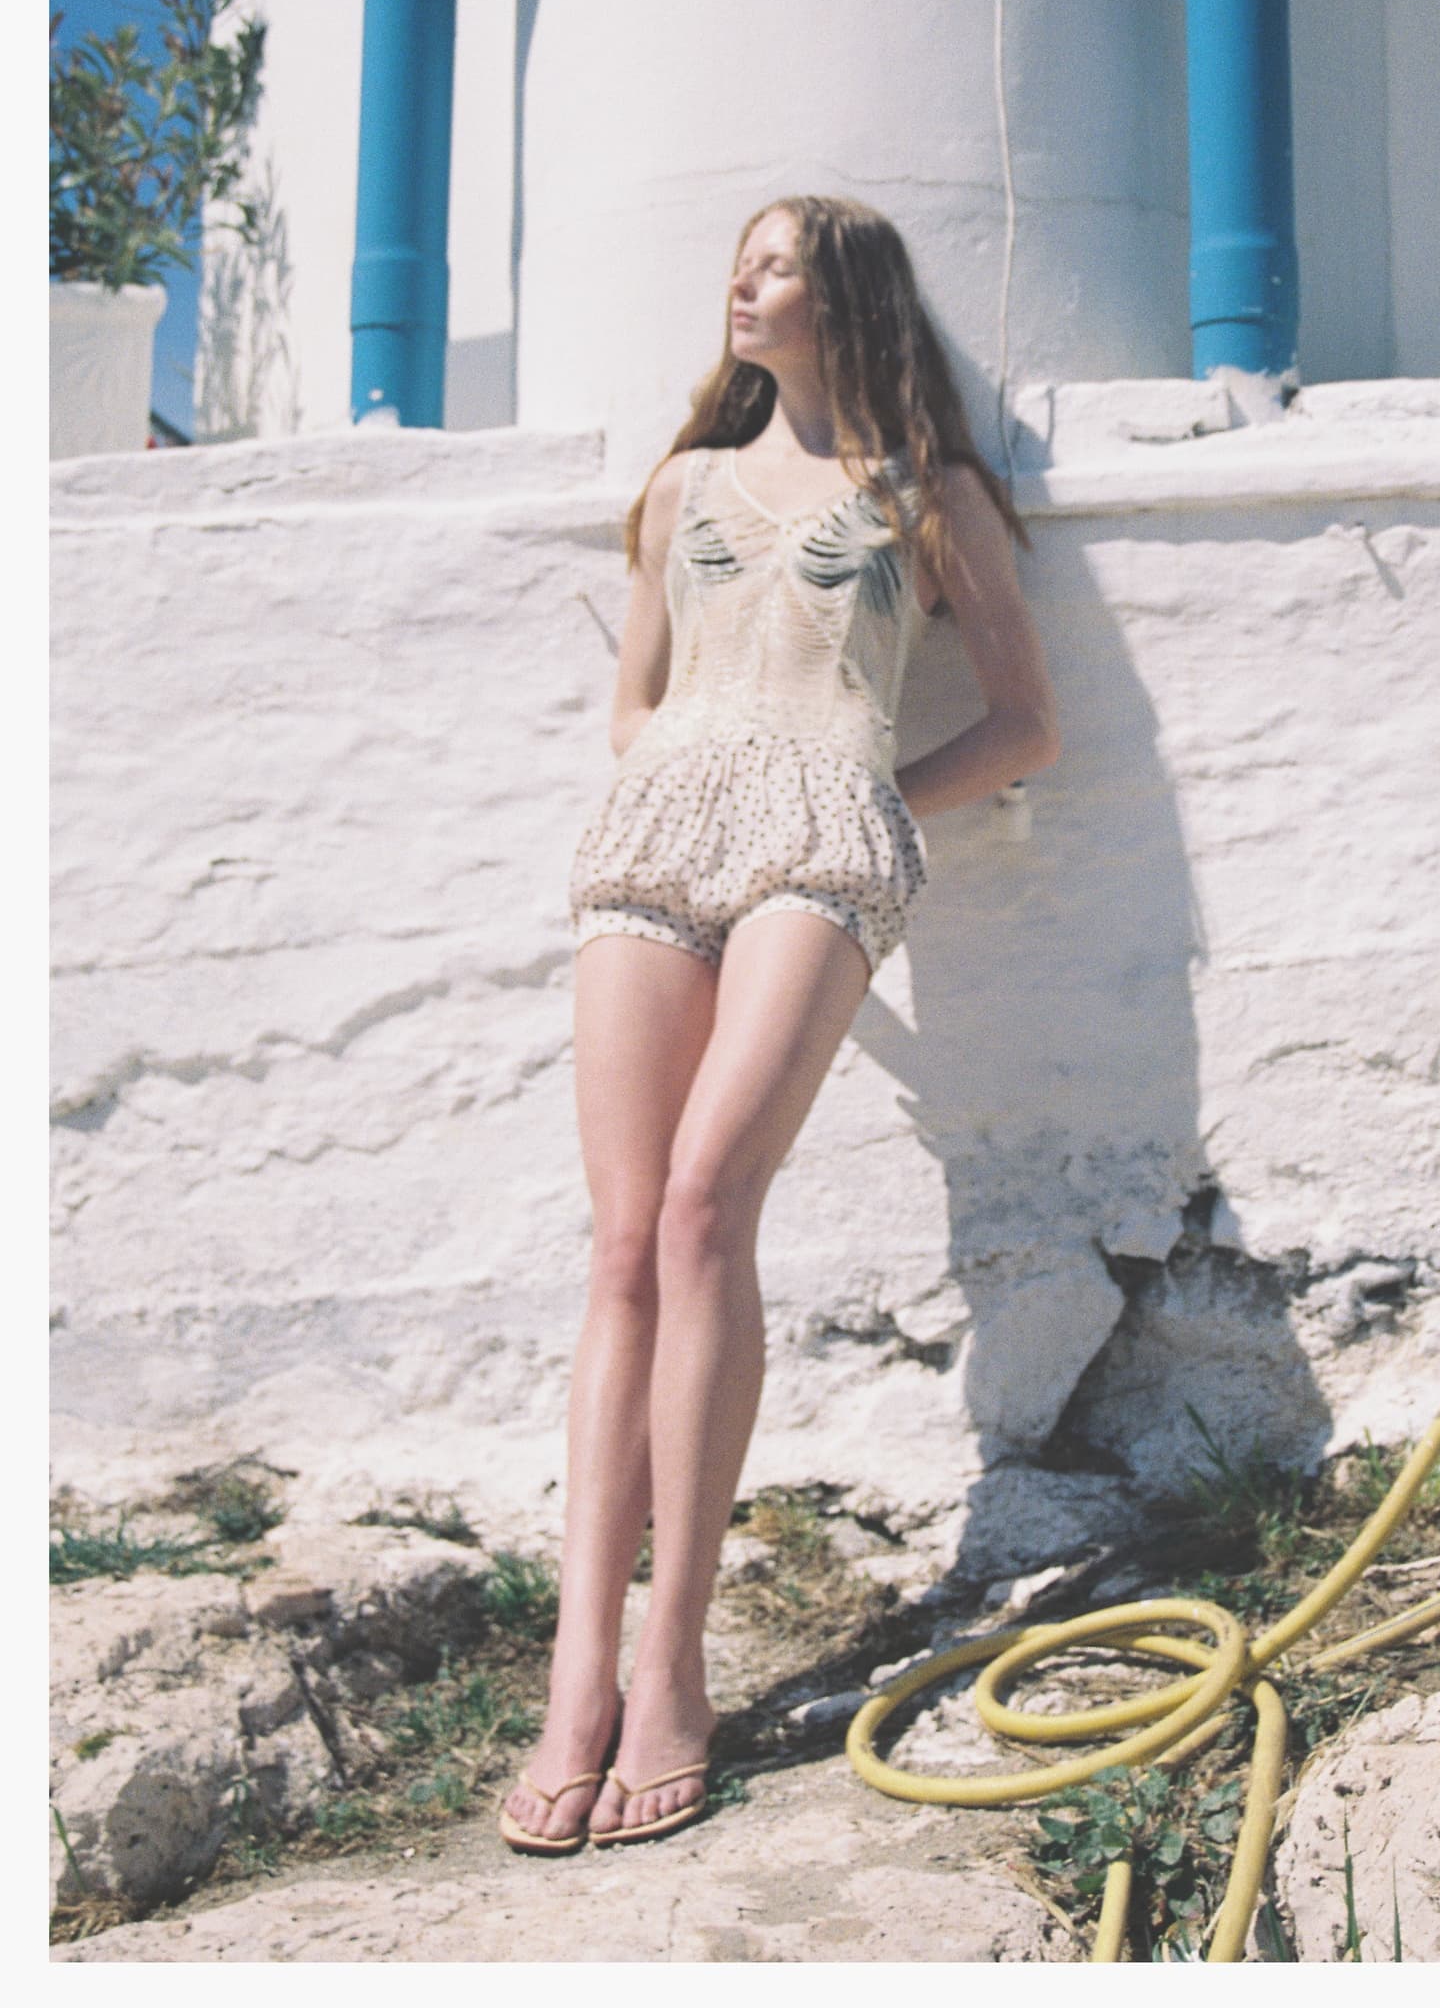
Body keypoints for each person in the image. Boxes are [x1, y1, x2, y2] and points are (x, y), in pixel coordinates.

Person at [499, 195, 1060, 1853]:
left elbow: (1024, 726)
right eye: (735, 264)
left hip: (823, 837)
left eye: (776, 265)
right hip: (656, 835)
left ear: (848, 299)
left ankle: (673, 1667)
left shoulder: (924, 492)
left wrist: (865, 803)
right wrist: (679, 775)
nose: (743, 285)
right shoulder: (679, 488)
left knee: (699, 1212)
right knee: (615, 1244)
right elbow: (639, 695)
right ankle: (575, 1679)